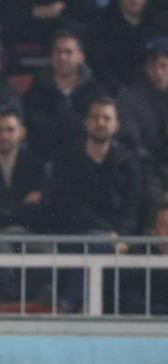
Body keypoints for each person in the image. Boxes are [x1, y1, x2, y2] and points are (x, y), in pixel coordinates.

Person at [50, 97, 140, 312]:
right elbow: (67, 205)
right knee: (95, 241)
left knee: (99, 244)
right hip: (75, 234)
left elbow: (133, 206)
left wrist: (122, 236)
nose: (101, 122)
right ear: (86, 123)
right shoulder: (67, 158)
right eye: (95, 117)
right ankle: (72, 302)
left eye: (106, 118)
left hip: (119, 239)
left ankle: (69, 303)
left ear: (116, 125)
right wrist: (109, 233)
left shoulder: (128, 161)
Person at [23, 29, 106, 161]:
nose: (62, 57)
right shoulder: (37, 89)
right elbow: (35, 129)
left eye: (68, 52)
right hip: (45, 161)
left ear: (80, 57)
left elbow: (97, 131)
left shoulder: (96, 92)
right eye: (58, 51)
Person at [85, 0, 166, 93]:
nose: (134, 0)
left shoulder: (161, 24)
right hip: (117, 94)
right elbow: (100, 68)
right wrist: (122, 92)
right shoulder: (100, 27)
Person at [117, 37, 168, 157]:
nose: (158, 72)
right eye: (152, 66)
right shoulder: (129, 100)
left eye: (164, 66)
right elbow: (132, 147)